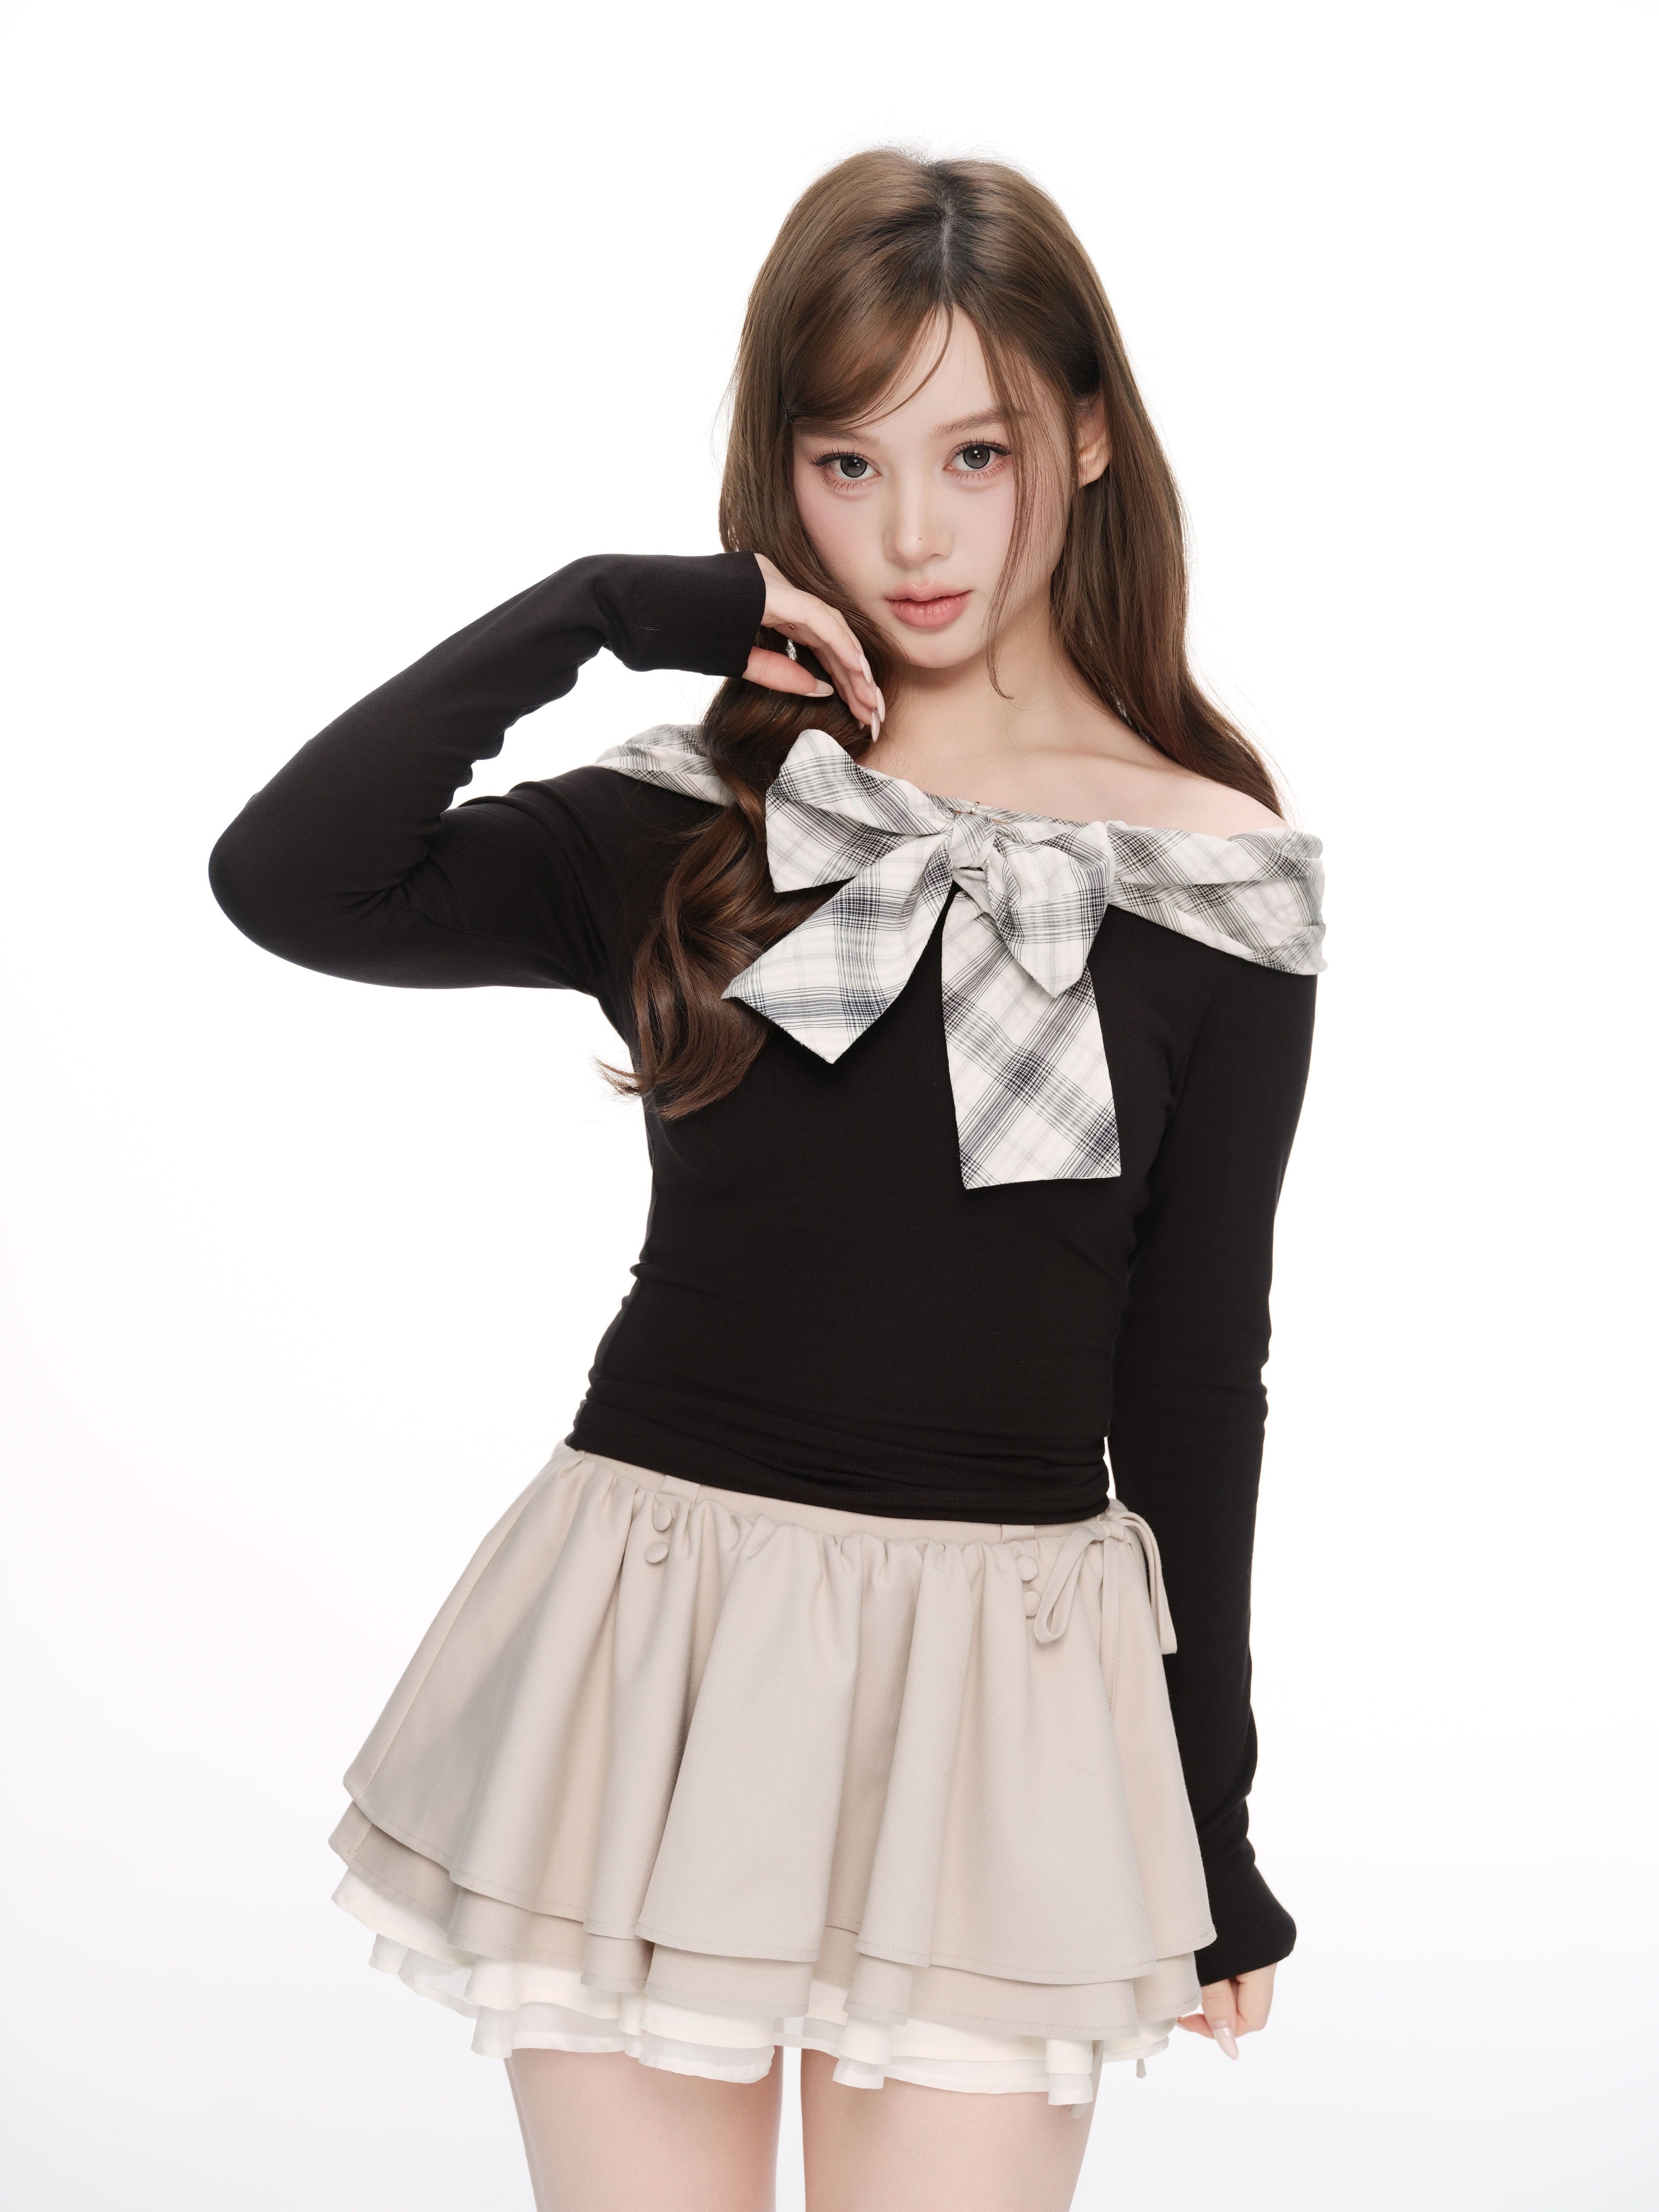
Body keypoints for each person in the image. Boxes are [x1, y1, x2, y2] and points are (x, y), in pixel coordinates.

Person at [210, 148, 1325, 2212]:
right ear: (780, 479)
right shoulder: (700, 815)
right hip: (659, 1643)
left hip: (1006, 1681)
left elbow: (1194, 1369)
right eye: (846, 462)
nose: (913, 534)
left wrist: (1212, 1819)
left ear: (1089, 436)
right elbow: (293, 878)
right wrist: (602, 612)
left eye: (977, 451)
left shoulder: (1215, 876)